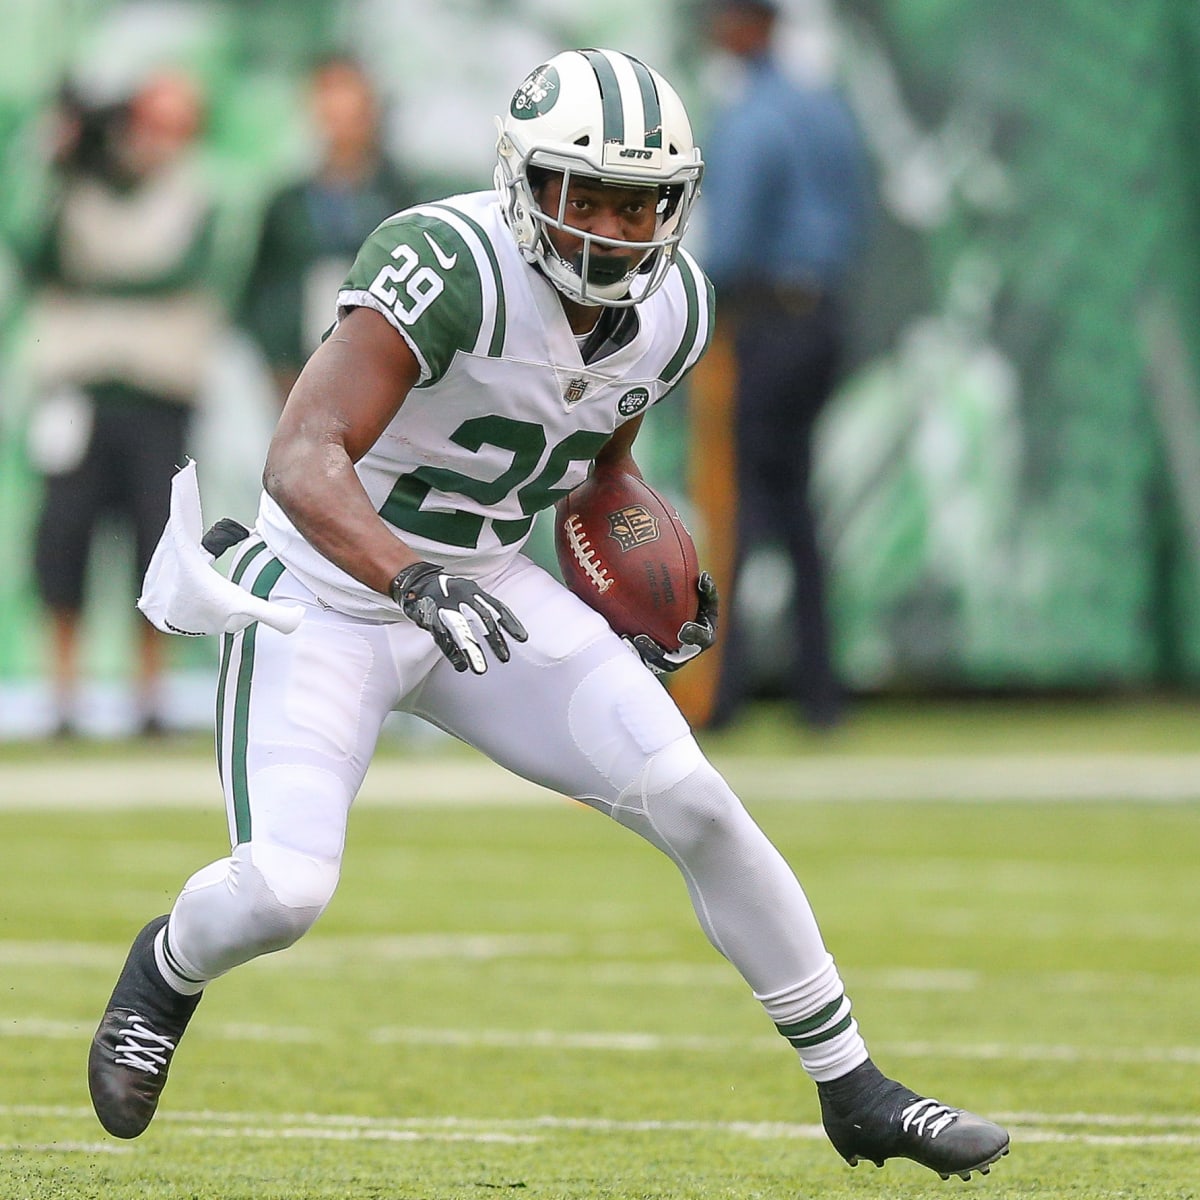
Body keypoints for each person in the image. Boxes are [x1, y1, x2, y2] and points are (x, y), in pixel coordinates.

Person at [86, 49, 1008, 1182]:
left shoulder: (675, 311)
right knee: (283, 891)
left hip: (483, 587)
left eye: (644, 201)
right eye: (592, 195)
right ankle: (165, 972)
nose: (620, 229)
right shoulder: (448, 263)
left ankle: (855, 1087)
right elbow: (301, 457)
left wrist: (644, 565)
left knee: (695, 800)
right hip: (325, 593)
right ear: (524, 184)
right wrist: (406, 579)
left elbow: (593, 470)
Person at [21, 70, 221, 737]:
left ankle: (150, 695)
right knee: (63, 540)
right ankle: (62, 695)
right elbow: (32, 254)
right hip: (77, 391)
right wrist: (59, 163)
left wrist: (94, 280)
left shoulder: (195, 192)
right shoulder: (71, 189)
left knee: (154, 542)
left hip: (157, 393)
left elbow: (172, 267)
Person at [699, 0, 869, 731]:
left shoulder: (750, 116)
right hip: (822, 315)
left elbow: (730, 243)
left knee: (738, 505)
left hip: (764, 321)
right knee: (797, 508)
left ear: (748, 26)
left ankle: (719, 692)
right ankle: (819, 694)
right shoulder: (827, 109)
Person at [239, 54, 418, 406]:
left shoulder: (401, 196)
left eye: (346, 95)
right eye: (326, 95)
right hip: (301, 368)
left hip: (381, 372)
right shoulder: (288, 203)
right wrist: (278, 359)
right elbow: (256, 292)